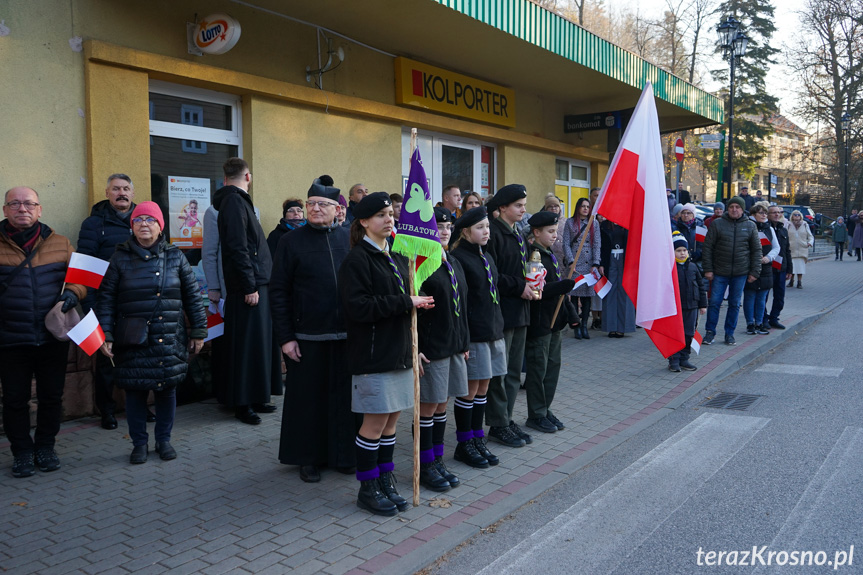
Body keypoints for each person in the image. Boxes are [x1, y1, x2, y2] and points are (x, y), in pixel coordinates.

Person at [339, 192, 434, 516]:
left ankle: (384, 479)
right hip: (373, 355)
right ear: (364, 222)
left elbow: (401, 307)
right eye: (380, 215)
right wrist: (407, 302)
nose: (388, 219)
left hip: (397, 352)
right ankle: (368, 487)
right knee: (374, 424)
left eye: (389, 214)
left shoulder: (393, 255)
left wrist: (414, 349)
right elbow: (358, 308)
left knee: (391, 421)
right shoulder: (357, 260)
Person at [97, 201, 206, 464]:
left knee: (167, 390)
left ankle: (164, 440)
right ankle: (139, 444)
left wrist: (199, 331)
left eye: (150, 219)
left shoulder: (175, 256)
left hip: (168, 335)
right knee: (135, 392)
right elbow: (107, 300)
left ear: (160, 226)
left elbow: (192, 295)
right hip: (132, 338)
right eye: (138, 220)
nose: (144, 224)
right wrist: (106, 335)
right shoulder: (119, 257)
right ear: (131, 226)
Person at [270, 180, 356, 483]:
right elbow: (278, 292)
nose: (315, 209)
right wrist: (285, 338)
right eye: (311, 204)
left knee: (346, 400)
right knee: (309, 402)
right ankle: (308, 458)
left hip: (347, 335)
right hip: (307, 335)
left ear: (338, 210)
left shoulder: (350, 239)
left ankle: (344, 456)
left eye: (323, 204)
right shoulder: (291, 242)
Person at [0, 187, 85, 478]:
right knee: (14, 400)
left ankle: (45, 446)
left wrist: (73, 294)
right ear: (5, 210)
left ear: (39, 209)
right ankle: (22, 452)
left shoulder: (60, 243)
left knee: (51, 397)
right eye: (15, 203)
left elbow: (81, 278)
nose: (22, 208)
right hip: (10, 338)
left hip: (52, 337)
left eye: (28, 203)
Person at [213, 158, 279, 424]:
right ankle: (242, 404)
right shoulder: (233, 202)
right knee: (246, 347)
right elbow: (238, 247)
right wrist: (249, 285)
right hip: (247, 288)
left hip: (255, 283)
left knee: (258, 345)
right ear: (248, 177)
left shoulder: (236, 201)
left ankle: (256, 397)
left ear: (225, 177)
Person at [415, 207, 470, 491]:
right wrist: (417, 348)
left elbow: (461, 306)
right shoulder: (420, 263)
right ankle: (425, 465)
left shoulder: (452, 260)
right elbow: (415, 311)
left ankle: (437, 459)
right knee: (428, 407)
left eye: (449, 225)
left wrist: (463, 342)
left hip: (453, 344)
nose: (445, 230)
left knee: (442, 404)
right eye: (439, 225)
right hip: (432, 346)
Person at [76, 173, 137, 430]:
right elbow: (84, 271)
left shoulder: (144, 220)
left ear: (133, 193)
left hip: (137, 303)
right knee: (106, 361)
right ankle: (107, 411)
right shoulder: (92, 224)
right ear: (107, 192)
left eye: (125, 188)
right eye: (115, 189)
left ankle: (139, 407)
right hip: (104, 303)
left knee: (138, 358)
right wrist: (90, 309)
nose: (121, 193)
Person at [449, 206, 506, 469]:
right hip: (474, 334)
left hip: (492, 330)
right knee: (469, 391)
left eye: (487, 226)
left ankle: (477, 437)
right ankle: (464, 443)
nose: (486, 231)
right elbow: (460, 303)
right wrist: (465, 340)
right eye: (480, 227)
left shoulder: (485, 255)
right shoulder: (459, 257)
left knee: (483, 387)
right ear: (466, 231)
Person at [484, 184, 536, 448]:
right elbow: (491, 275)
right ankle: (497, 423)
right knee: (500, 372)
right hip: (503, 311)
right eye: (518, 205)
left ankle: (507, 417)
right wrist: (520, 286)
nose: (523, 210)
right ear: (502, 207)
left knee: (515, 371)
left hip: (521, 310)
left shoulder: (517, 232)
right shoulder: (492, 234)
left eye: (524, 205)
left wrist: (535, 279)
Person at [523, 212, 575, 433]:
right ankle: (536, 413)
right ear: (536, 232)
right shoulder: (534, 257)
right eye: (550, 232)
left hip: (554, 323)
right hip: (541, 322)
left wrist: (570, 313)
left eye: (556, 231)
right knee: (539, 370)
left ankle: (545, 408)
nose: (555, 236)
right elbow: (536, 291)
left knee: (552, 369)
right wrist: (562, 287)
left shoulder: (549, 254)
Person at [701, 196, 761, 346]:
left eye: (738, 207)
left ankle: (729, 334)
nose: (735, 210)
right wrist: (708, 269)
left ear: (742, 209)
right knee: (714, 303)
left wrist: (754, 272)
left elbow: (756, 250)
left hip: (740, 273)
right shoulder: (717, 224)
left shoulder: (750, 226)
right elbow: (707, 248)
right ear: (728, 208)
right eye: (732, 207)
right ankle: (710, 332)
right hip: (719, 271)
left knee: (734, 304)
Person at [667, 232, 707, 372]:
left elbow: (701, 286)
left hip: (692, 306)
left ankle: (685, 358)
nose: (682, 253)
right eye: (678, 251)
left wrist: (703, 304)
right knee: (675, 334)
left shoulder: (693, 267)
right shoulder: (669, 268)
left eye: (684, 250)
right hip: (675, 307)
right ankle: (674, 360)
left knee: (689, 333)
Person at [563, 197, 601, 340]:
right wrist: (570, 261)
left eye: (587, 206)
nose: (585, 209)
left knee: (587, 297)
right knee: (574, 295)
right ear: (578, 207)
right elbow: (566, 243)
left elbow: (597, 244)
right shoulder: (570, 222)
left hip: (588, 263)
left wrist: (595, 263)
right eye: (583, 206)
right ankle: (576, 325)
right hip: (575, 263)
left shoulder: (594, 223)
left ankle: (585, 325)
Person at [742, 202, 779, 335]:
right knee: (750, 296)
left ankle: (759, 322)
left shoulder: (770, 229)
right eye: (761, 213)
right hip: (750, 267)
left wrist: (768, 258)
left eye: (765, 213)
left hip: (765, 268)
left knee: (761, 298)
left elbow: (776, 247)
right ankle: (750, 324)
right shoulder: (747, 227)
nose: (764, 215)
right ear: (753, 215)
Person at [600, 218, 635, 338]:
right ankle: (611, 327)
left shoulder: (628, 223)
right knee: (609, 292)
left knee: (624, 293)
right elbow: (601, 246)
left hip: (625, 259)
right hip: (609, 259)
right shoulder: (605, 225)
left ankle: (623, 327)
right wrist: (601, 264)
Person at [766, 205, 791, 330]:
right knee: (764, 295)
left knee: (779, 295)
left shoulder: (783, 230)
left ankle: (774, 318)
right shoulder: (765, 229)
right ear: (768, 214)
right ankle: (763, 318)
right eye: (774, 212)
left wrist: (789, 270)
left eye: (779, 212)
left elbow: (787, 251)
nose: (777, 214)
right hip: (767, 267)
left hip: (781, 268)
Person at [786, 210, 814, 287]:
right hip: (791, 248)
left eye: (798, 215)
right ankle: (791, 281)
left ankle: (799, 282)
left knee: (800, 267)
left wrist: (809, 243)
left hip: (802, 249)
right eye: (795, 215)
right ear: (792, 216)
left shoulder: (805, 224)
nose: (797, 216)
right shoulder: (788, 224)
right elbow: (785, 235)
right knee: (792, 267)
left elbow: (810, 236)